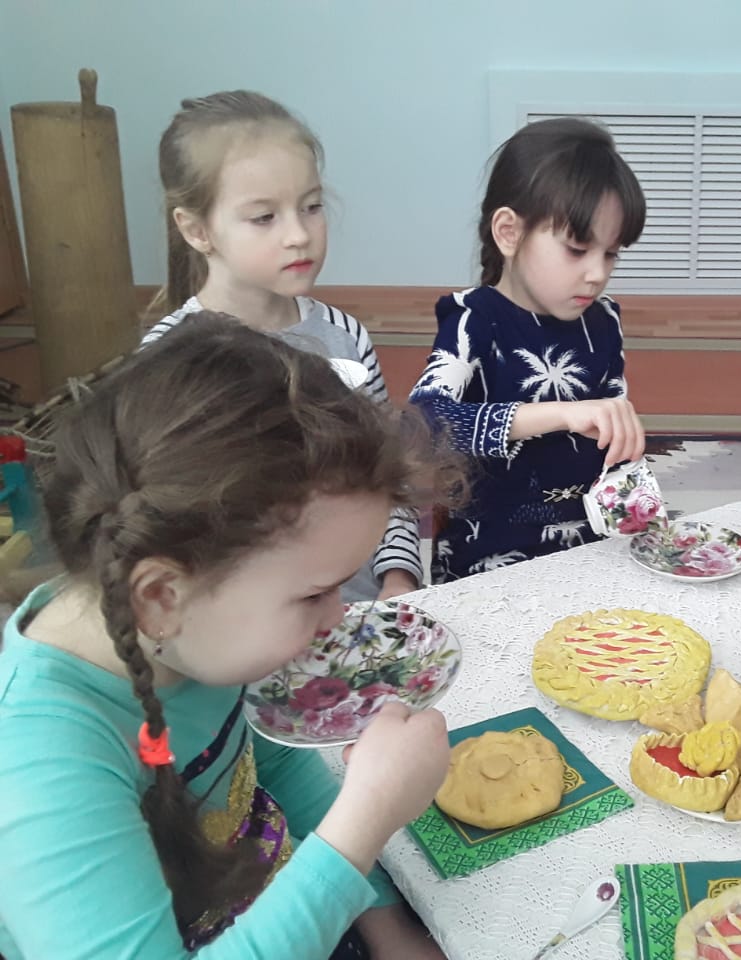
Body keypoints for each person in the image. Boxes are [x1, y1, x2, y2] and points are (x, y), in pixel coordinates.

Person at [0, 316, 462, 959]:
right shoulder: (42, 762)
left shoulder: (193, 640)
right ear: (160, 597)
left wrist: (388, 929)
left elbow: (271, 761)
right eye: (313, 594)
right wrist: (366, 817)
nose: (336, 619)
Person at [140, 90, 419, 600]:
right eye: (264, 217)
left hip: (353, 613)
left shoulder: (346, 336)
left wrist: (398, 576)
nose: (299, 235)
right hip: (240, 625)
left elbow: (389, 479)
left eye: (311, 207)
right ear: (197, 230)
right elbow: (167, 526)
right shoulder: (167, 358)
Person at [409, 117, 648, 580]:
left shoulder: (603, 321)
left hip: (588, 551)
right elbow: (423, 427)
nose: (597, 274)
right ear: (509, 232)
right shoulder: (474, 321)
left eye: (611, 254)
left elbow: (615, 447)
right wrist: (561, 414)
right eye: (577, 249)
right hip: (487, 563)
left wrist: (637, 516)